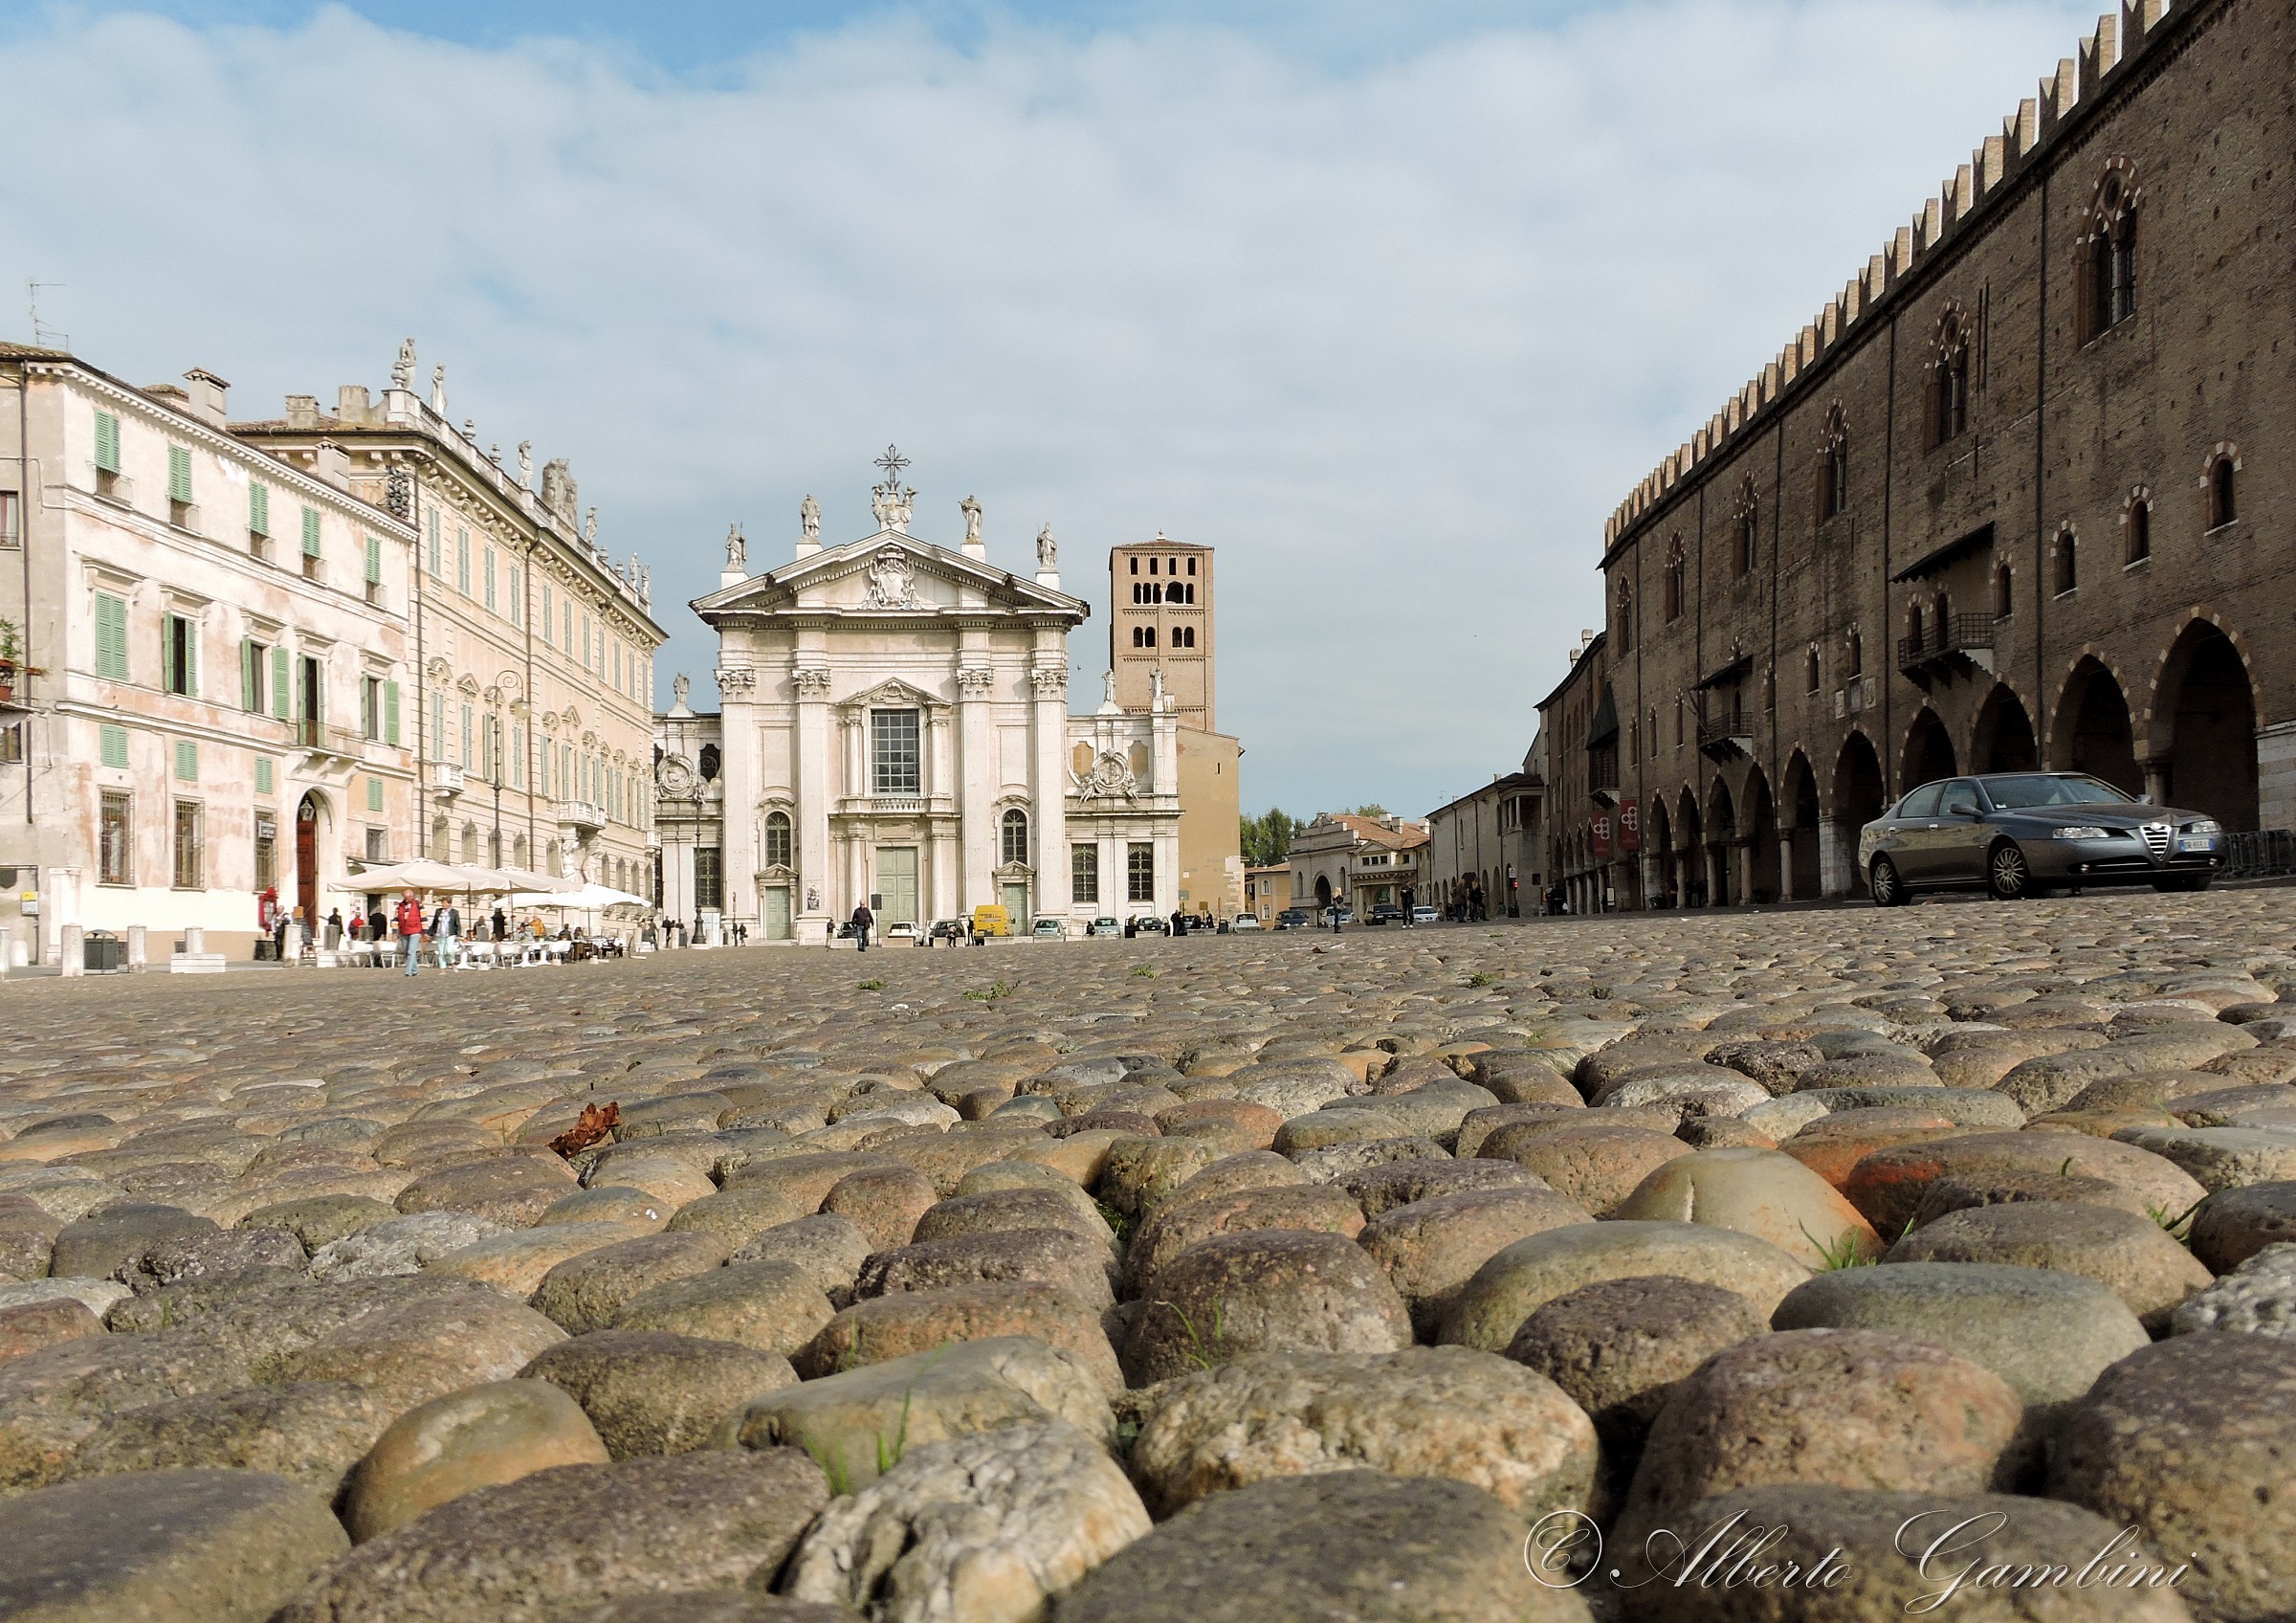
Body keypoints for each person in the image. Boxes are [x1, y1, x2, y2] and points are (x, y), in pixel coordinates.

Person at [396, 891, 425, 976]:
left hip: (416, 930)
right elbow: (395, 918)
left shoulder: (419, 905)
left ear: (413, 896)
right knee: (406, 951)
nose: (407, 900)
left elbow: (424, 918)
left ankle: (408, 971)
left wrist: (425, 931)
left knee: (411, 951)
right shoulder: (400, 906)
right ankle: (415, 970)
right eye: (405, 897)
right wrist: (394, 931)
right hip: (404, 930)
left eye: (408, 898)